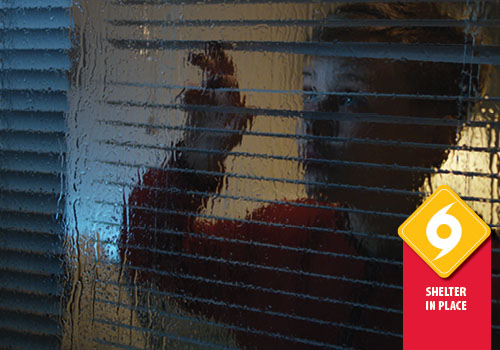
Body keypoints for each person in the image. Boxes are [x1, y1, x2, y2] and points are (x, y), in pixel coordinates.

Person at [120, 3, 489, 349]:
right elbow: (145, 252)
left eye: (349, 98)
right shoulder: (284, 235)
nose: (312, 120)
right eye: (310, 92)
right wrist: (197, 155)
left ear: (434, 138)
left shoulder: (459, 257)